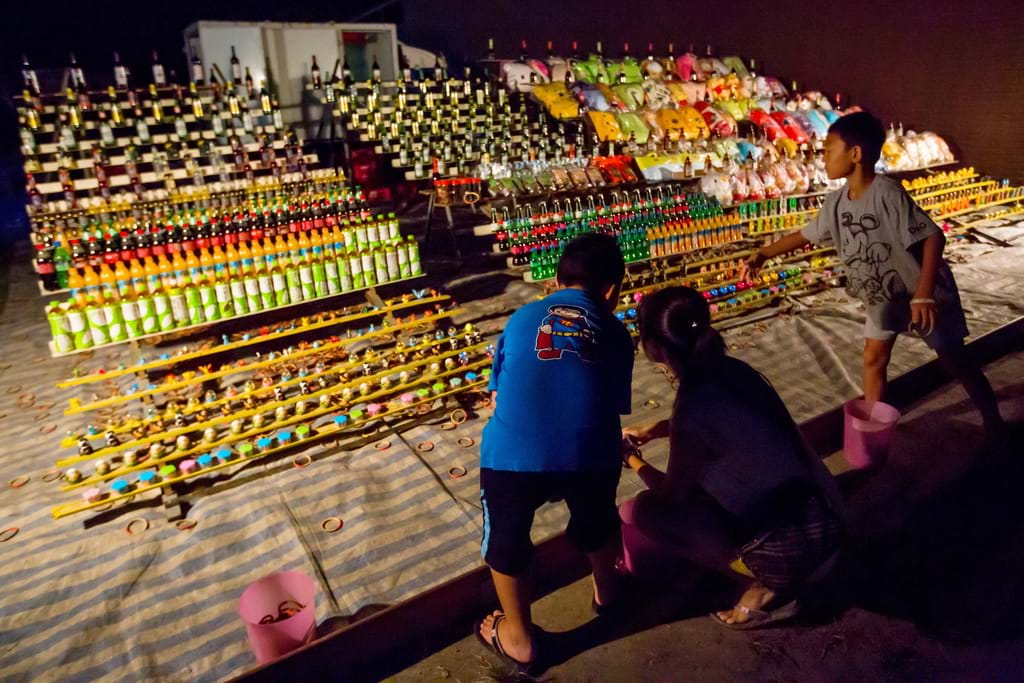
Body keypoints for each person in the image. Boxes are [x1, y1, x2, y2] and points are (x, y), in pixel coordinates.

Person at [742, 111, 1005, 446]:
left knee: (954, 359)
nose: (823, 158)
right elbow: (806, 235)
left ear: (855, 154)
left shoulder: (887, 193)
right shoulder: (836, 202)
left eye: (828, 150)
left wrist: (924, 294)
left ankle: (993, 419)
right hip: (883, 299)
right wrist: (764, 253)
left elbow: (933, 237)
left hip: (920, 296)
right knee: (873, 359)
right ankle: (871, 435)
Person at [621, 286, 844, 628]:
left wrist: (632, 460)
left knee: (642, 510)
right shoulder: (736, 370)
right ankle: (770, 568)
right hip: (829, 521)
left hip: (793, 552)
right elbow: (722, 422)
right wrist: (657, 429)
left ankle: (762, 586)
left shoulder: (692, 408)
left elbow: (671, 494)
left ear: (654, 346)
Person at [475, 233, 635, 672]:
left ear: (554, 283)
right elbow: (614, 404)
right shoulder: (618, 332)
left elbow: (497, 395)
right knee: (596, 515)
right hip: (589, 453)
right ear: (611, 291)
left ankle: (520, 640)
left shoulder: (521, 318)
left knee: (506, 537)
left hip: (513, 457)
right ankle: (608, 593)